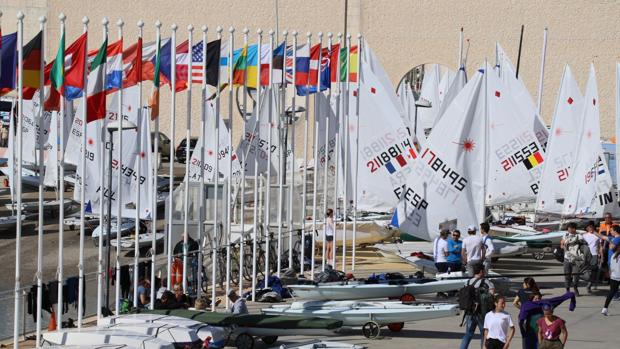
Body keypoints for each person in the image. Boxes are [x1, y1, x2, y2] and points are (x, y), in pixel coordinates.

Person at [460, 263, 496, 349]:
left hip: (469, 312)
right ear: (481, 271)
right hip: (482, 313)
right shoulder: (486, 282)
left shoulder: (467, 282)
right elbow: (492, 295)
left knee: (468, 334)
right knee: (484, 334)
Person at [513, 278, 540, 349]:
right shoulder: (536, 292)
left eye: (524, 283)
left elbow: (515, 303)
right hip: (535, 317)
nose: (523, 284)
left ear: (527, 284)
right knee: (536, 336)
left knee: (525, 337)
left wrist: (522, 309)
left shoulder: (521, 291)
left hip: (523, 317)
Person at [560, 222, 585, 296]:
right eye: (568, 228)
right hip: (567, 258)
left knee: (576, 275)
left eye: (570, 228)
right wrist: (563, 245)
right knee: (567, 275)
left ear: (574, 229)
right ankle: (567, 290)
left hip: (576, 258)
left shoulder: (579, 235)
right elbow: (561, 244)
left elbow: (583, 243)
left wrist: (576, 241)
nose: (569, 229)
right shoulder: (565, 235)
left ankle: (575, 288)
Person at [582, 221, 601, 293]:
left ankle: (589, 285)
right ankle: (588, 281)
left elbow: (600, 246)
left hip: (595, 255)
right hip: (586, 255)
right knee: (585, 270)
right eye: (588, 227)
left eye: (590, 226)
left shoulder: (597, 235)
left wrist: (600, 255)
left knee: (593, 271)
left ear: (593, 226)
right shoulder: (584, 235)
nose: (589, 228)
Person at [602, 244, 620, 315]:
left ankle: (605, 308)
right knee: (612, 292)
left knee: (611, 292)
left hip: (613, 276)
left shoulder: (613, 256)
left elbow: (610, 267)